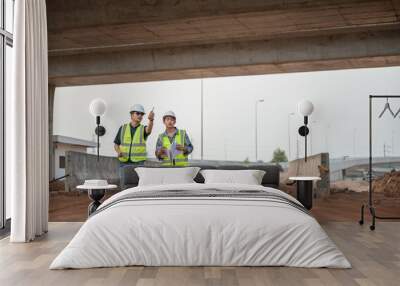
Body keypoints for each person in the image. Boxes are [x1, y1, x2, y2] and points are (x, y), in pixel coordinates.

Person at [114, 104, 154, 186]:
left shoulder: (143, 129)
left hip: (138, 163)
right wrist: (118, 152)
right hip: (124, 162)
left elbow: (149, 130)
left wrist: (151, 120)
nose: (140, 116)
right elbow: (116, 144)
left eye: (142, 114)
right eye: (137, 113)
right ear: (131, 114)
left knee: (138, 184)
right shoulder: (123, 128)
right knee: (124, 184)